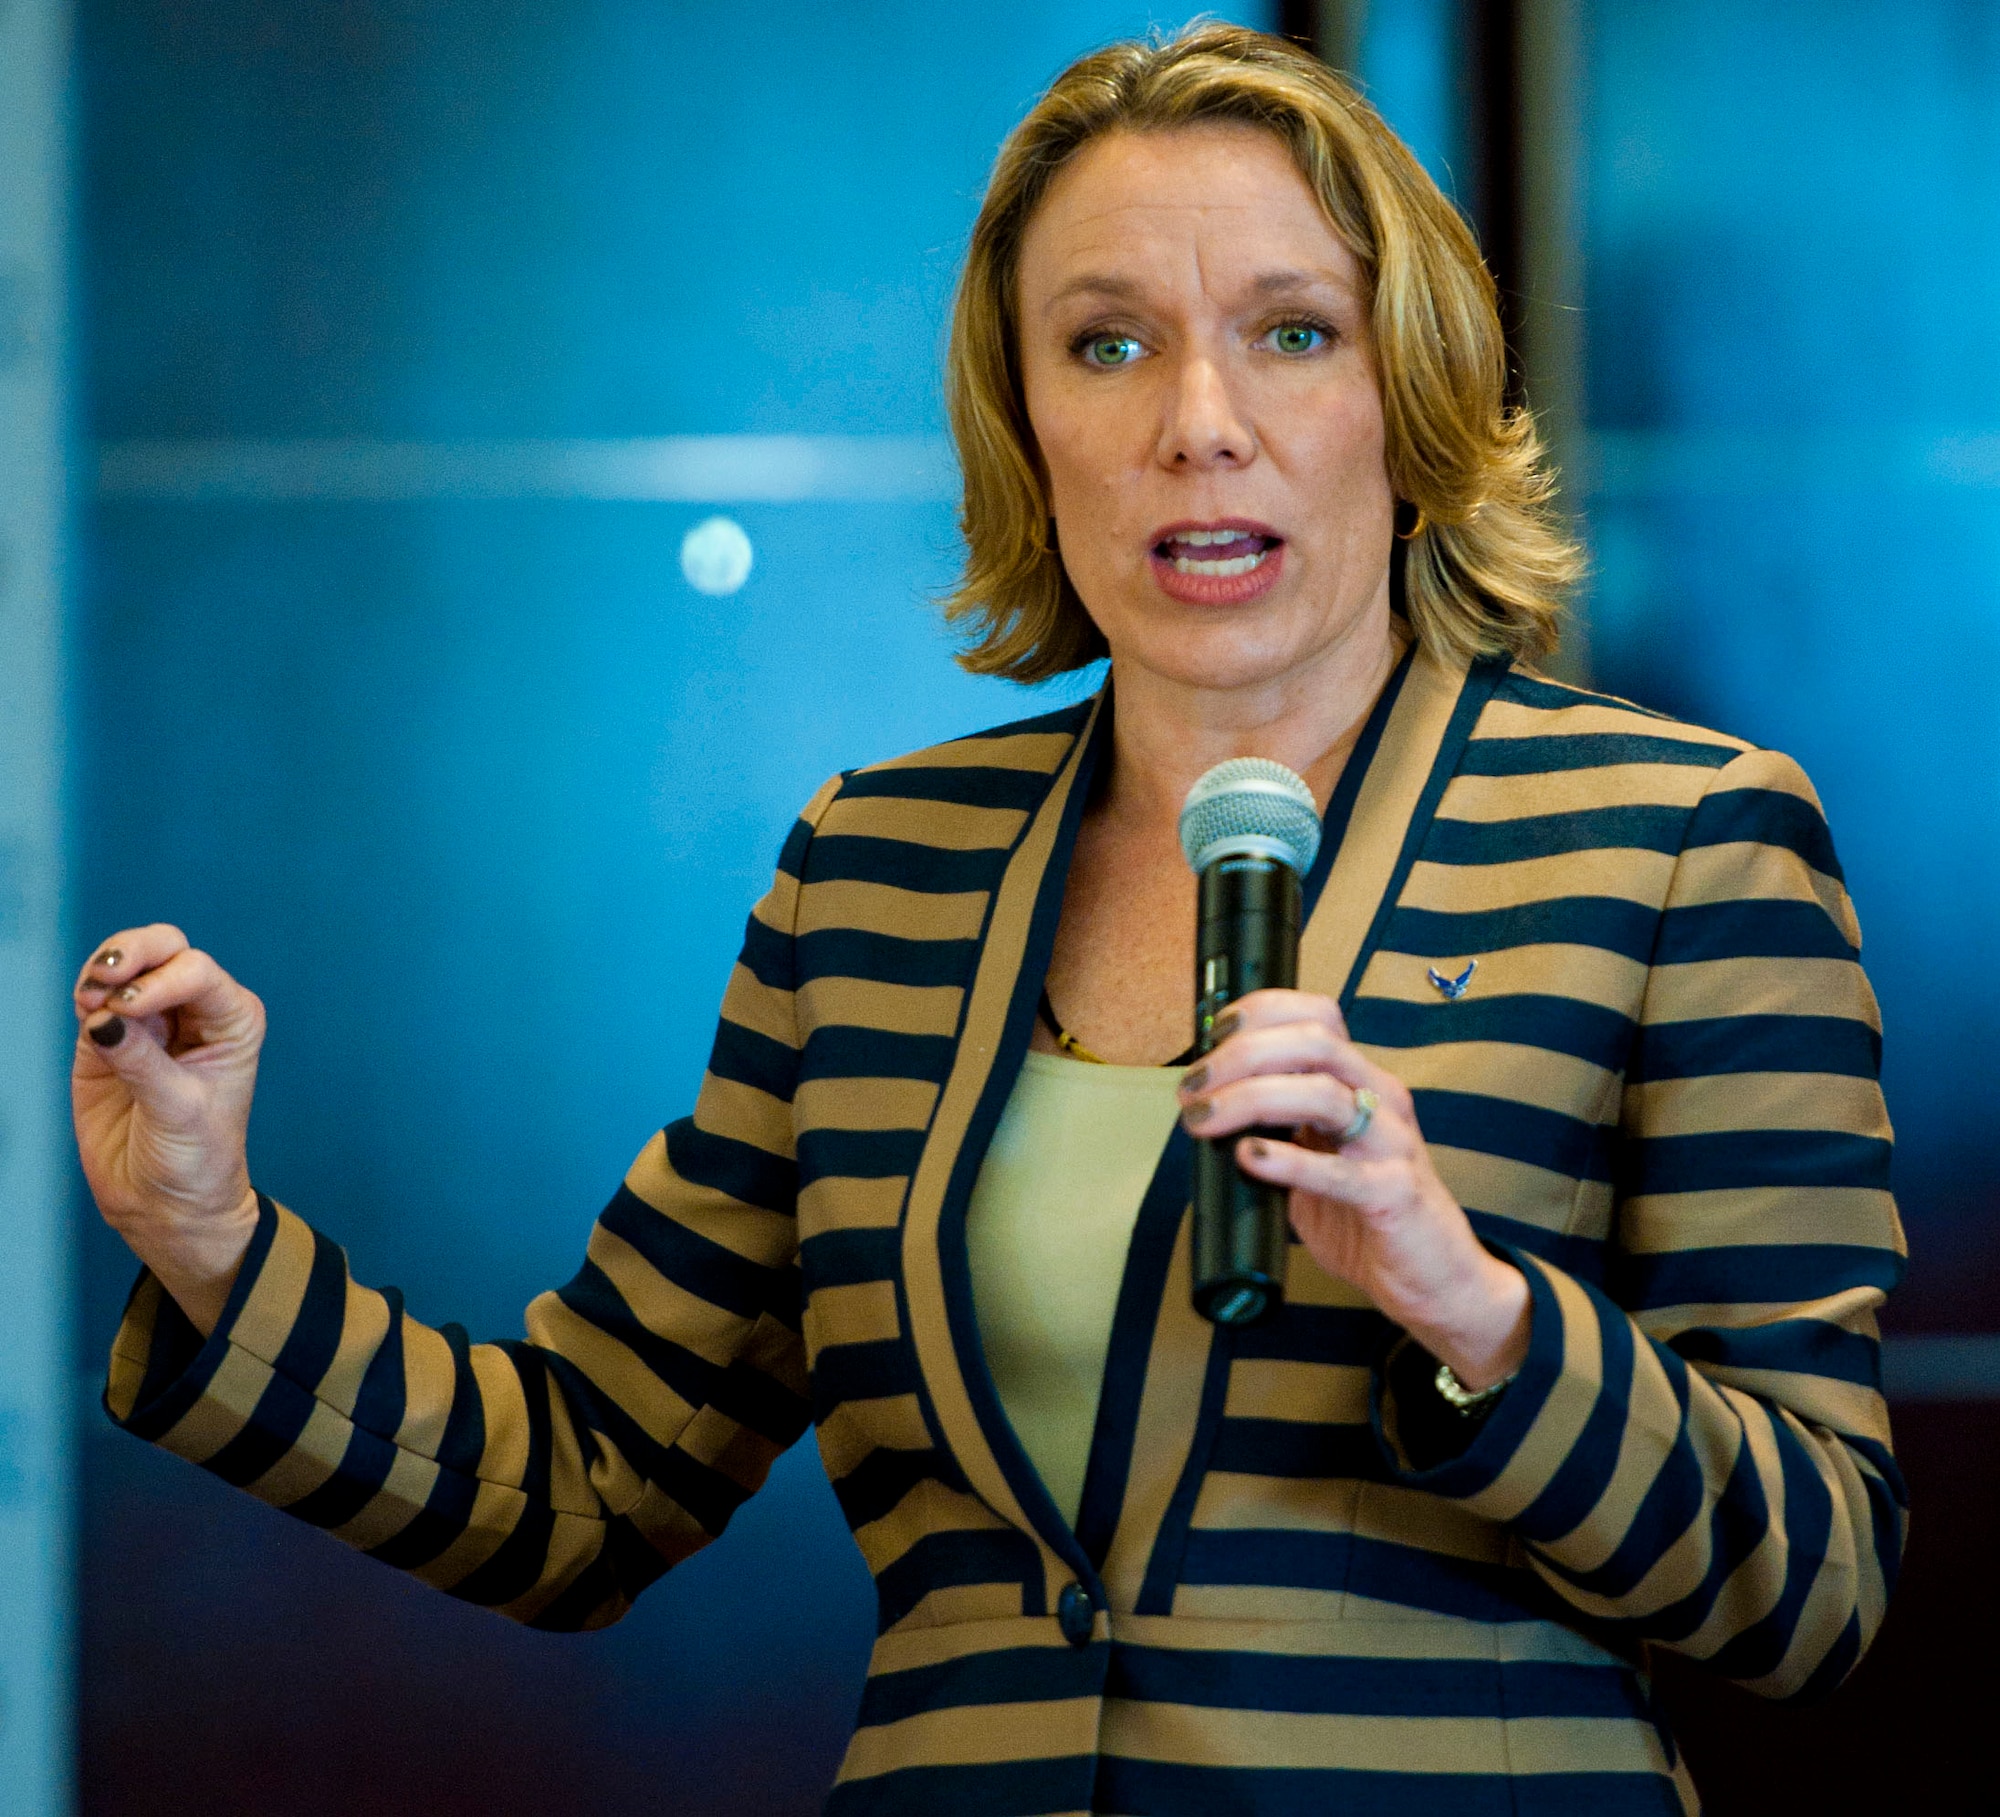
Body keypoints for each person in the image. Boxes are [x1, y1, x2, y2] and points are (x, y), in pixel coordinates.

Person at [73, 25, 1904, 1815]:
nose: (1201, 427)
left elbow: (1814, 1584)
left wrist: (1472, 1306)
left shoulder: (1676, 843)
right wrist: (216, 1238)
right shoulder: (877, 867)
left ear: (1406, 397)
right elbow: (582, 1481)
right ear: (1026, 422)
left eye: (1290, 333)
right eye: (1109, 345)